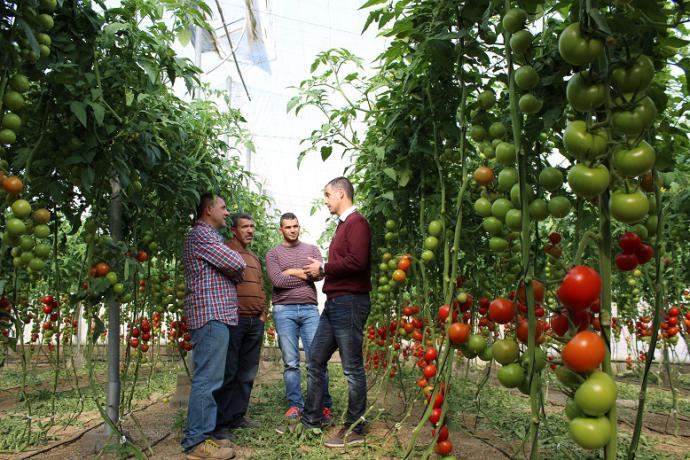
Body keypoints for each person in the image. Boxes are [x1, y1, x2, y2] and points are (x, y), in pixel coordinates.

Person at [280, 177, 372, 448]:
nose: (325, 200)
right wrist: (323, 269)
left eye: (328, 195)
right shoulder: (344, 226)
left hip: (351, 302)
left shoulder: (357, 223)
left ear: (341, 194)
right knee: (316, 359)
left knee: (352, 367)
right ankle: (312, 419)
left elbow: (357, 262)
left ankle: (356, 426)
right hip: (335, 303)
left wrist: (323, 267)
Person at [181, 193, 246, 460]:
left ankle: (202, 437)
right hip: (210, 317)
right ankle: (195, 442)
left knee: (211, 378)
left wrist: (231, 269)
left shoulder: (210, 238)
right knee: (207, 379)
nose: (227, 212)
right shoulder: (202, 236)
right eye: (223, 207)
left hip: (214, 316)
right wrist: (231, 268)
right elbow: (237, 263)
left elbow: (236, 269)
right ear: (209, 210)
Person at [265, 212, 333, 424]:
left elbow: (320, 275)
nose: (292, 230)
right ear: (281, 230)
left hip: (309, 309)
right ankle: (295, 405)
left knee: (317, 359)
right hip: (283, 310)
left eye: (295, 226)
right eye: (288, 227)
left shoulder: (312, 249)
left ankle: (323, 406)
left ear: (299, 226)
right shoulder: (273, 254)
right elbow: (277, 281)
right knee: (291, 362)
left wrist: (290, 272)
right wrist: (303, 274)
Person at [212, 213, 268, 440]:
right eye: (245, 227)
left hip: (255, 321)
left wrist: (263, 312)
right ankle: (221, 423)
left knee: (247, 371)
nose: (250, 230)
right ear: (234, 230)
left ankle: (237, 416)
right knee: (229, 370)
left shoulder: (254, 256)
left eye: (252, 226)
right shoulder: (225, 251)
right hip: (234, 319)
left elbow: (261, 285)